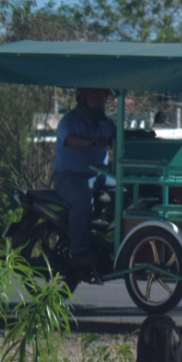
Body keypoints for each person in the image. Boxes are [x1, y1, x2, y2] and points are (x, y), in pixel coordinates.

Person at [52, 87, 116, 271]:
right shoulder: (69, 121)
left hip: (99, 176)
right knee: (83, 200)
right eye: (94, 96)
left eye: (102, 96)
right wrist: (92, 142)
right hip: (70, 176)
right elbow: (71, 139)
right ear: (82, 98)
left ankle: (109, 241)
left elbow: (118, 136)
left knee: (124, 192)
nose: (99, 100)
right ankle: (78, 251)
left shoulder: (105, 122)